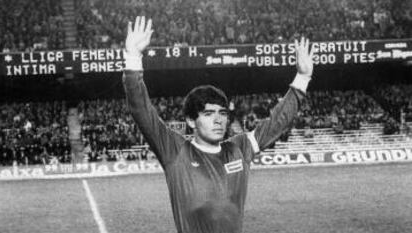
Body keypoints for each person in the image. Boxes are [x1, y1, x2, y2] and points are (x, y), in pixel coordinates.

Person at [122, 16, 314, 233]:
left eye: (222, 113)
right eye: (208, 114)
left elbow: (276, 124)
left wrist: (302, 78)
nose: (218, 119)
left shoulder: (239, 148)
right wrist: (133, 58)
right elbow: (141, 110)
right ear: (191, 120)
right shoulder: (175, 151)